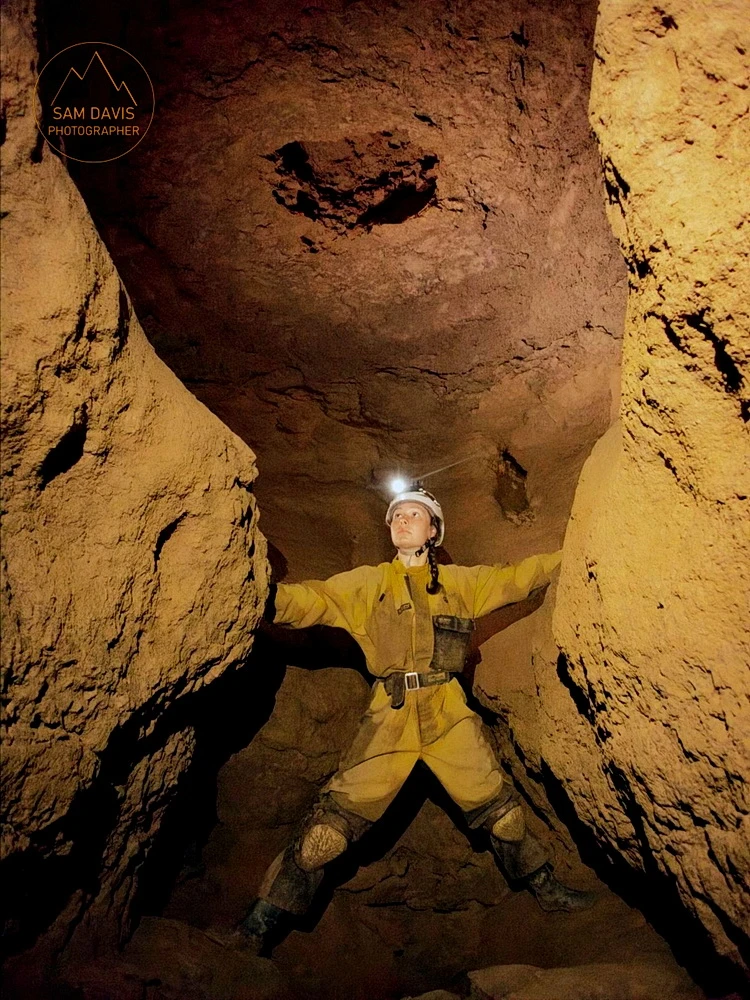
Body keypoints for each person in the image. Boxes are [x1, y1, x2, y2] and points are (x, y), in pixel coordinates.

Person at [235, 487, 594, 953]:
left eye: (415, 514)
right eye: (397, 515)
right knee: (327, 833)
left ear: (433, 530)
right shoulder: (369, 583)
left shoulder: (460, 584)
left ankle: (546, 889)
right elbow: (314, 600)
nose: (403, 521)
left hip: (448, 711)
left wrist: (576, 551)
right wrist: (261, 596)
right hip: (390, 715)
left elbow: (516, 578)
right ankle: (259, 926)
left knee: (499, 811)